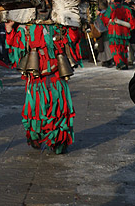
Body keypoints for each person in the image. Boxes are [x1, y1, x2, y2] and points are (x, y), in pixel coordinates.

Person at [5, 19, 81, 154]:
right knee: (35, 109)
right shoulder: (26, 27)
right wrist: (10, 29)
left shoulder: (60, 24)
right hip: (36, 77)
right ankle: (35, 135)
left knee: (59, 109)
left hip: (57, 75)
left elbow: (73, 38)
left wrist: (73, 24)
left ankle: (59, 141)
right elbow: (15, 44)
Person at [100, 0, 135, 69]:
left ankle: (120, 63)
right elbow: (132, 21)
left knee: (115, 48)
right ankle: (124, 62)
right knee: (123, 48)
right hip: (125, 32)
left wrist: (100, 15)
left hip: (114, 31)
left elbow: (106, 18)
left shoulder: (112, 7)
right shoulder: (126, 8)